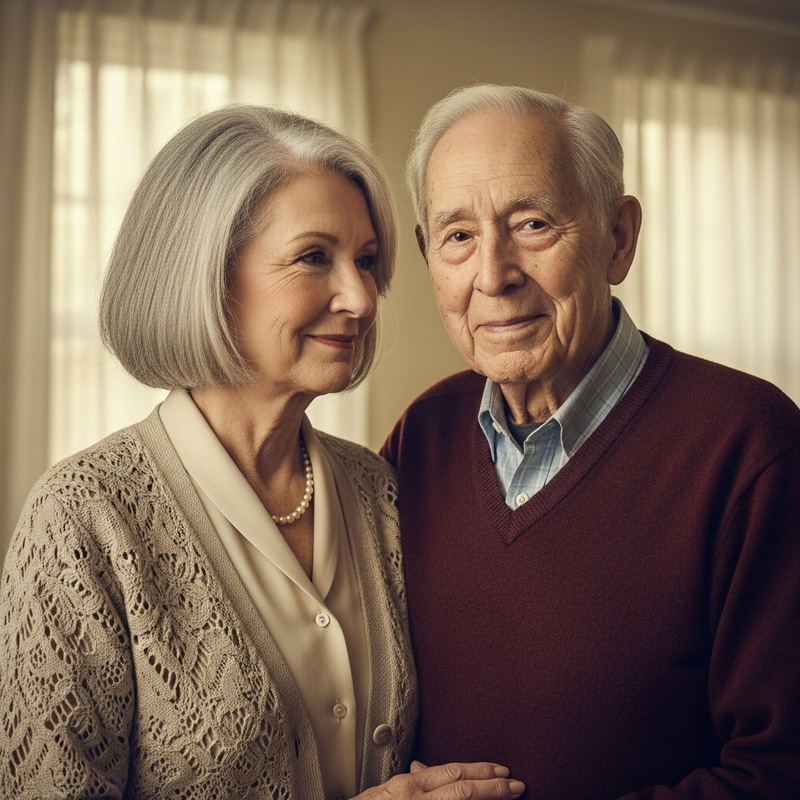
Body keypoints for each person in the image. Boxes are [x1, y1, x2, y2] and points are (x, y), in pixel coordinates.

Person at [0, 105, 525, 800]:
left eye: (368, 262)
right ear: (208, 275)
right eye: (314, 257)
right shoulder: (80, 519)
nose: (362, 298)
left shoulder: (380, 490)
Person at [381, 84, 800, 799]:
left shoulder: (750, 445)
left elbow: (778, 773)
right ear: (428, 257)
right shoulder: (419, 438)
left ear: (618, 237)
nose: (493, 275)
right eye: (458, 237)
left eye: (534, 224)